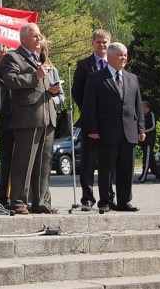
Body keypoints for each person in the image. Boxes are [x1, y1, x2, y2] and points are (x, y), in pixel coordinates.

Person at [0, 23, 58, 215]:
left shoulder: (40, 58)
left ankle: (40, 201)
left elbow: (40, 84)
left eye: (39, 35)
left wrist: (53, 89)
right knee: (24, 161)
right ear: (23, 38)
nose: (39, 38)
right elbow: (9, 80)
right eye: (34, 35)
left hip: (47, 115)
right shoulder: (13, 57)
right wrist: (35, 76)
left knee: (44, 163)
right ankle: (18, 201)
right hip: (27, 117)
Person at [82, 42, 145, 213]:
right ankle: (106, 200)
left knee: (126, 169)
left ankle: (125, 201)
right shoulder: (96, 78)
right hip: (106, 131)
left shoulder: (132, 78)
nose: (123, 58)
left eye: (125, 55)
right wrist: (92, 128)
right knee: (106, 169)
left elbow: (138, 105)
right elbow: (89, 105)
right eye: (120, 55)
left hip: (129, 131)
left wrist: (141, 128)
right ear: (109, 57)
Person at [71, 28, 113, 212]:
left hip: (110, 122)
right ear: (93, 43)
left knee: (108, 163)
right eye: (99, 42)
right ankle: (87, 198)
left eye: (105, 42)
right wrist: (88, 111)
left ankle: (107, 198)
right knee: (88, 162)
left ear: (109, 43)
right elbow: (77, 92)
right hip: (90, 121)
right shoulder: (84, 65)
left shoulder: (114, 63)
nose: (102, 45)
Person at [0, 45, 13, 207]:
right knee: (7, 163)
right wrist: (2, 63)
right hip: (8, 123)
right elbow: (1, 80)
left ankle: (20, 196)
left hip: (26, 122)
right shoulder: (8, 72)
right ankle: (5, 198)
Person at [138, 101, 160, 183]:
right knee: (151, 160)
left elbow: (152, 127)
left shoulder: (150, 114)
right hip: (144, 141)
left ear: (146, 107)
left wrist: (143, 132)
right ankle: (158, 175)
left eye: (142, 106)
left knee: (147, 159)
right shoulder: (142, 116)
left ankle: (143, 177)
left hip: (149, 140)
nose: (141, 108)